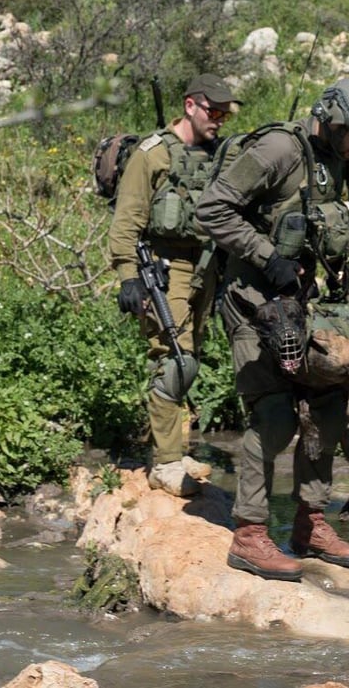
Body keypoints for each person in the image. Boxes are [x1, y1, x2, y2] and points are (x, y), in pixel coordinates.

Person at [195, 75, 349, 581]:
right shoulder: (276, 151)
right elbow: (212, 210)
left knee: (328, 408)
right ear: (332, 121)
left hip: (303, 305)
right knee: (273, 417)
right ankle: (249, 535)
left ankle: (310, 523)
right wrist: (266, 258)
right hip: (254, 306)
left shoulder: (334, 158)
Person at [108, 73, 242, 496]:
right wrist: (129, 277)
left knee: (192, 357)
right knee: (174, 360)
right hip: (165, 266)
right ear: (190, 105)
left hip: (207, 266)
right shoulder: (152, 154)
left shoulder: (218, 153)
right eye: (213, 111)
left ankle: (173, 449)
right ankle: (165, 464)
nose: (219, 120)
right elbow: (126, 221)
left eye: (225, 113)